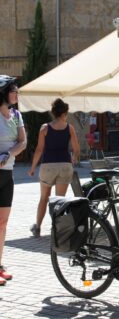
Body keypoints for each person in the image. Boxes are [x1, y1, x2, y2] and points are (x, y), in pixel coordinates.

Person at [28, 98, 80, 237]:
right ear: (64, 113)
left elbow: (39, 149)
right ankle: (56, 229)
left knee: (44, 198)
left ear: (53, 113)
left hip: (48, 166)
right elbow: (76, 149)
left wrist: (33, 167)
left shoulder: (44, 128)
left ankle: (37, 227)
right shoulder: (70, 128)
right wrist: (74, 158)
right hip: (64, 165)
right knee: (59, 200)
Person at [0, 75, 27, 286]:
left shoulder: (16, 115)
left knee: (3, 223)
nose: (17, 94)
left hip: (7, 174)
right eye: (14, 90)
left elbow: (23, 141)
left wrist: (8, 154)